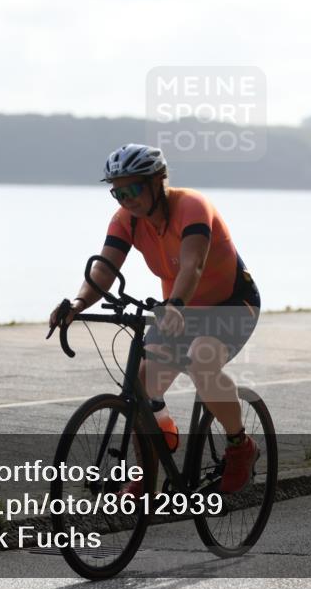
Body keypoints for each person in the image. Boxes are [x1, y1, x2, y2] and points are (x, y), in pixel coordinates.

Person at [49, 143, 261, 493]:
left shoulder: (192, 207)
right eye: (117, 192)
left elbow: (193, 265)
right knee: (141, 384)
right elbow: (104, 268)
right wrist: (78, 303)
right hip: (180, 310)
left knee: (203, 362)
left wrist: (175, 303)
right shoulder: (126, 221)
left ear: (159, 181)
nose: (126, 199)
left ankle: (241, 447)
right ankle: (150, 469)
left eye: (133, 189)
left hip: (232, 303)